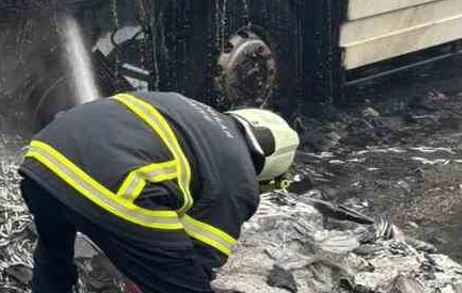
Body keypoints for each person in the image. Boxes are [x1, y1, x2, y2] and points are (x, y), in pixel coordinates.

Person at [19, 91, 300, 293]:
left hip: (44, 160)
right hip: (116, 187)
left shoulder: (187, 109)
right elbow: (196, 258)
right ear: (267, 169)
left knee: (54, 253)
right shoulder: (240, 178)